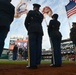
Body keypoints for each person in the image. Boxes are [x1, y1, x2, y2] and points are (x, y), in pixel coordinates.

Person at [24, 3, 44, 69]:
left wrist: (29, 29)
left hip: (32, 30)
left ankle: (32, 64)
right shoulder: (41, 15)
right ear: (38, 8)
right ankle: (37, 62)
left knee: (32, 46)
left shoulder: (31, 12)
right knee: (38, 46)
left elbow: (26, 22)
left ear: (34, 7)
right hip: (40, 30)